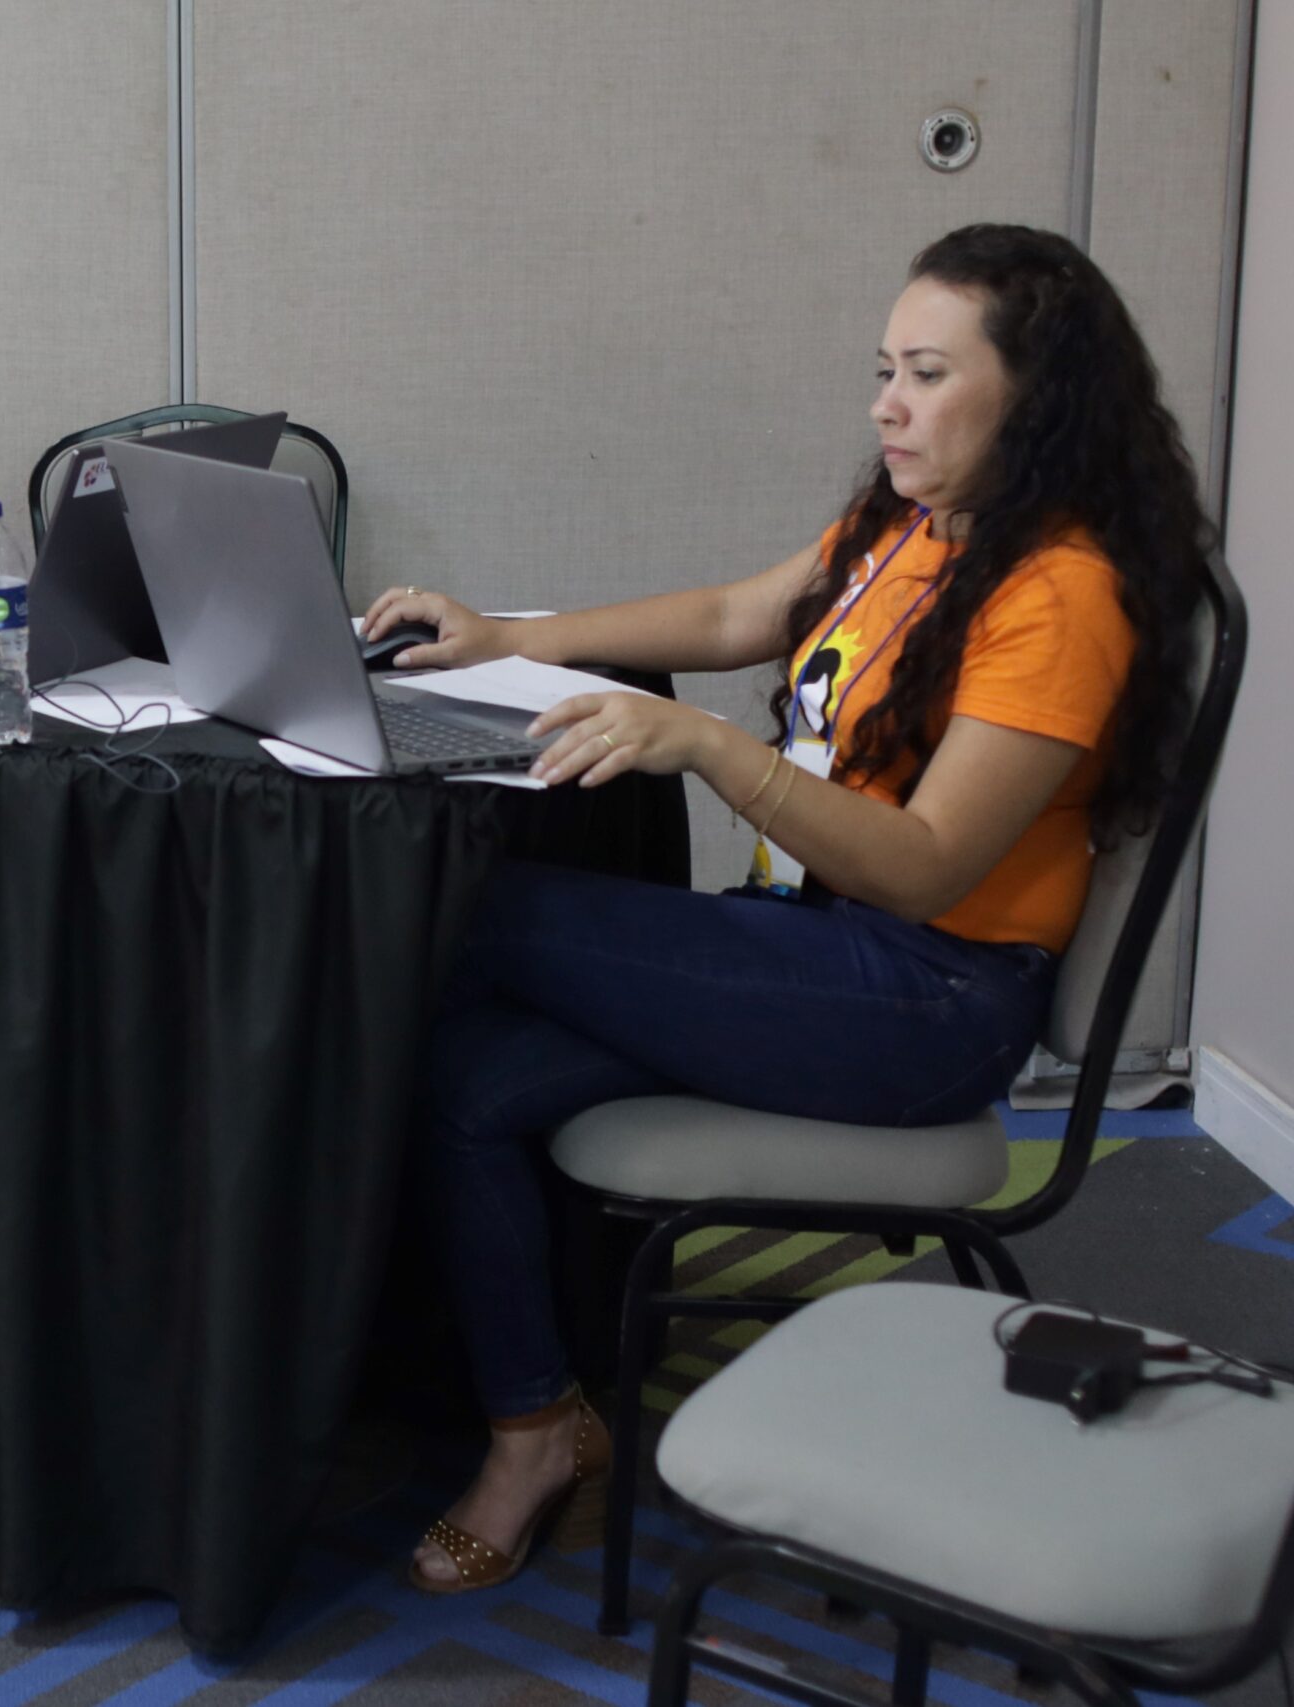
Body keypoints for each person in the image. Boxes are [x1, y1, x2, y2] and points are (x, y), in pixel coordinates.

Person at [360, 223, 1207, 1593]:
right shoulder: (921, 526)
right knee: (465, 1069)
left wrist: (707, 748)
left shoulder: (1061, 597)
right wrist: (514, 634)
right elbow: (733, 611)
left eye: (927, 374)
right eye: (885, 368)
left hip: (925, 998)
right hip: (822, 949)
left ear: (1034, 398)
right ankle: (536, 1423)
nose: (887, 403)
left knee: (468, 910)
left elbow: (928, 865)